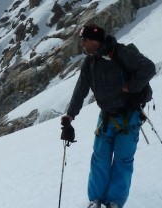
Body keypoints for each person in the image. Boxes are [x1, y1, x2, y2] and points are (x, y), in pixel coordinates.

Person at [62, 24, 155, 208]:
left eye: (85, 40)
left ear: (94, 40)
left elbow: (149, 68)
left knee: (122, 161)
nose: (83, 44)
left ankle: (114, 203)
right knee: (100, 159)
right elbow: (80, 90)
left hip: (128, 116)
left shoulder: (120, 53)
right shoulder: (90, 63)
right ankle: (96, 201)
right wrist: (70, 115)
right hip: (106, 117)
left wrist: (131, 86)